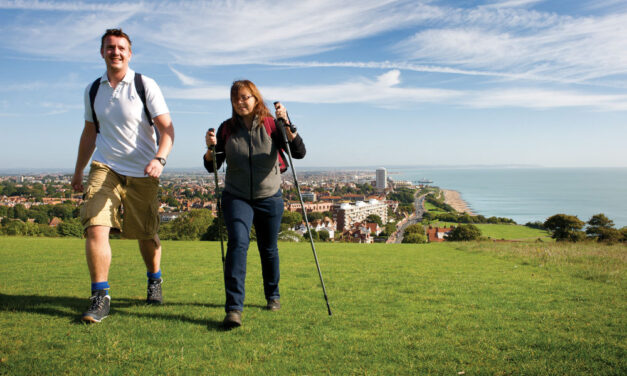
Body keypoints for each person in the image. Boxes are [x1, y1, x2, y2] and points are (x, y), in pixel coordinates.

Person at [71, 28, 174, 323]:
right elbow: (90, 132)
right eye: (110, 47)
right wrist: (79, 169)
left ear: (130, 53)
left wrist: (160, 159)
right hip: (105, 167)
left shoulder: (144, 84)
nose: (115, 52)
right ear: (102, 52)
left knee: (146, 233)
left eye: (121, 48)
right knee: (95, 225)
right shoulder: (93, 90)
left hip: (143, 170)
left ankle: (154, 279)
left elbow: (167, 129)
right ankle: (100, 296)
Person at [204, 80, 306, 328]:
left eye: (245, 97)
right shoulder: (226, 128)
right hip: (236, 196)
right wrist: (210, 149)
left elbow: (299, 152)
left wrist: (288, 124)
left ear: (255, 98)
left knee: (268, 248)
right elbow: (212, 166)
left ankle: (273, 295)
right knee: (238, 244)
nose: (241, 102)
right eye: (236, 98)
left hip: (269, 196)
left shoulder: (272, 124)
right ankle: (234, 309)